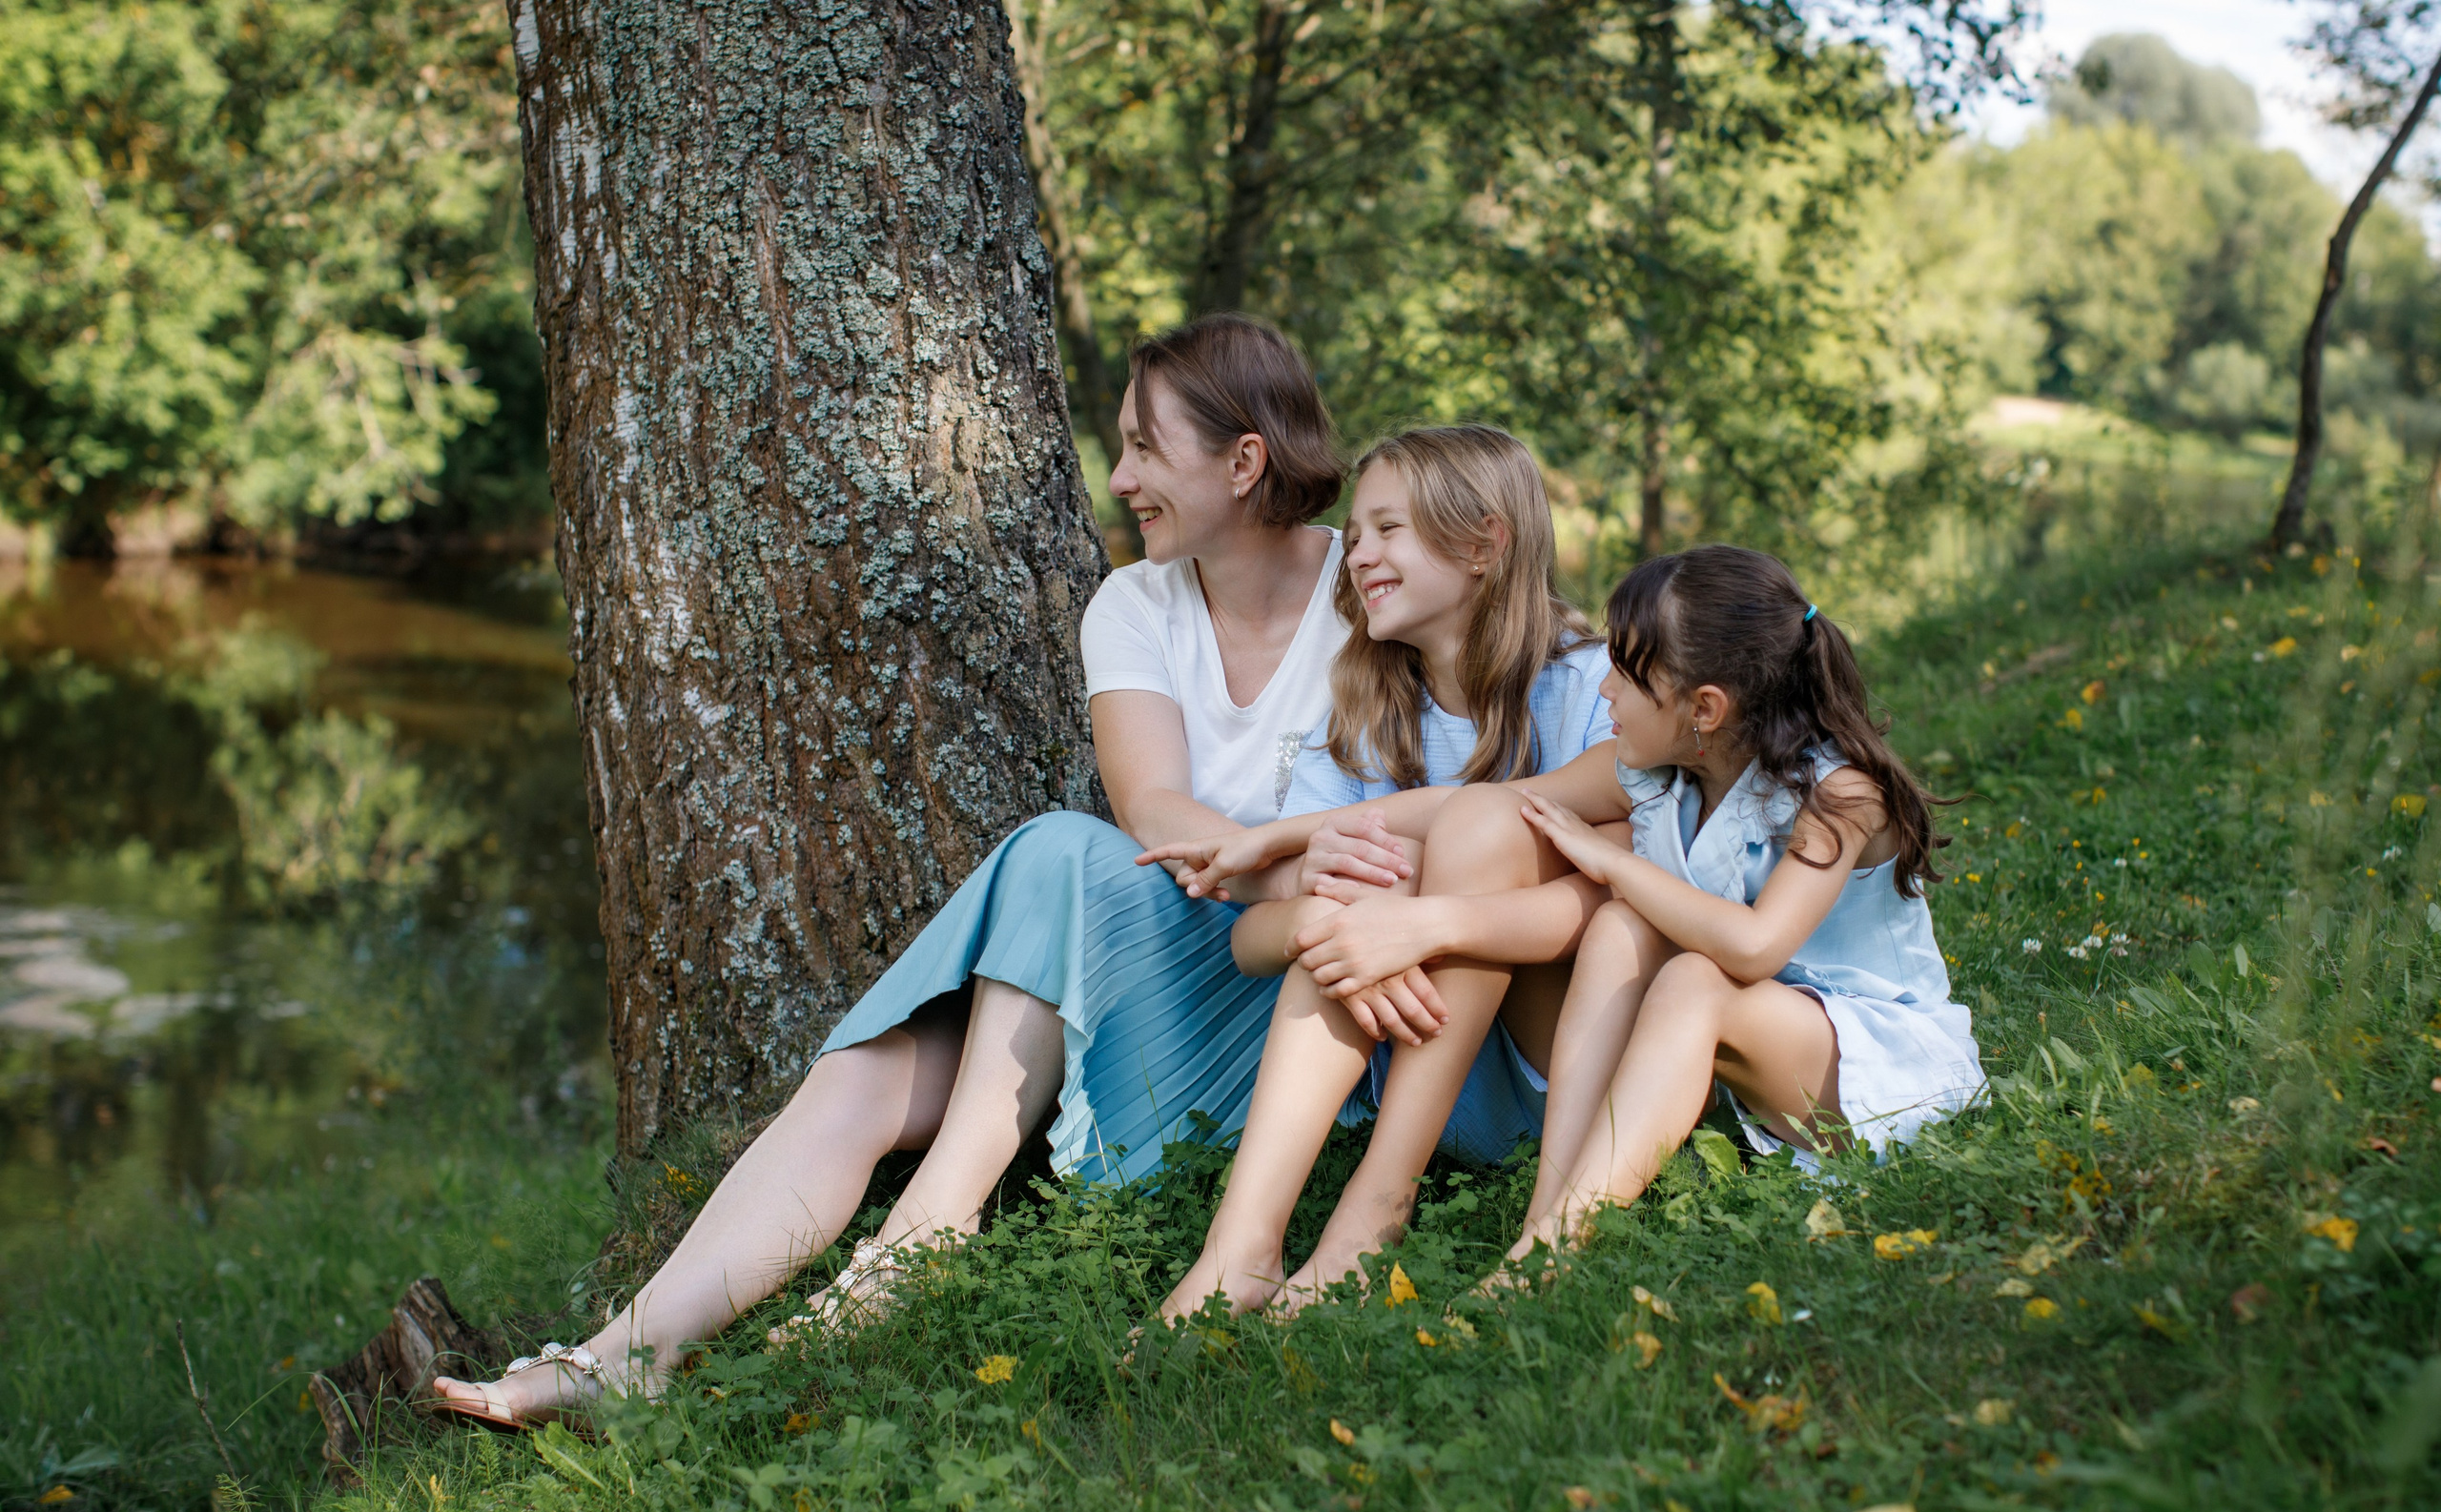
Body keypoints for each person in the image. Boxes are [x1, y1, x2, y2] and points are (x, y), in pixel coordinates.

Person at [431, 315, 1406, 1427]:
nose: (1121, 476)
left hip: (1288, 1004)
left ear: (1244, 462)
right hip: (1151, 941)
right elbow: (1154, 813)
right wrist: (1286, 849)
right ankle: (624, 1355)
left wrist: (1294, 873)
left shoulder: (1371, 591)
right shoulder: (1135, 605)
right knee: (867, 1073)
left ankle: (931, 1226)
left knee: (1055, 850)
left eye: (1145, 446)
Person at [1138, 425, 1622, 1322]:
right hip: (1423, 1063)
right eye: (1354, 535)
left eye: (1388, 529)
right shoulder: (1365, 713)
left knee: (1480, 821)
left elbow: (1622, 910)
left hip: (1561, 1067)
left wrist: (1431, 923)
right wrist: (1337, 921)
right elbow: (1252, 940)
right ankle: (1239, 1246)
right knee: (1360, 884)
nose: (1358, 555)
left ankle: (1373, 1211)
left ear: (1484, 543)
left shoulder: (1590, 688)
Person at [1467, 544, 1983, 1267]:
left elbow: (1754, 948)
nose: (1604, 690)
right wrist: (1285, 840)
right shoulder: (1659, 773)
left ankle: (1555, 1250)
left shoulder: (1841, 793)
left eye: (1627, 671)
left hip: (1866, 1058)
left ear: (1704, 708)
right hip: (1749, 1041)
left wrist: (1612, 858)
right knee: (1619, 926)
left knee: (1693, 975)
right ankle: (1548, 1210)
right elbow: (1485, 807)